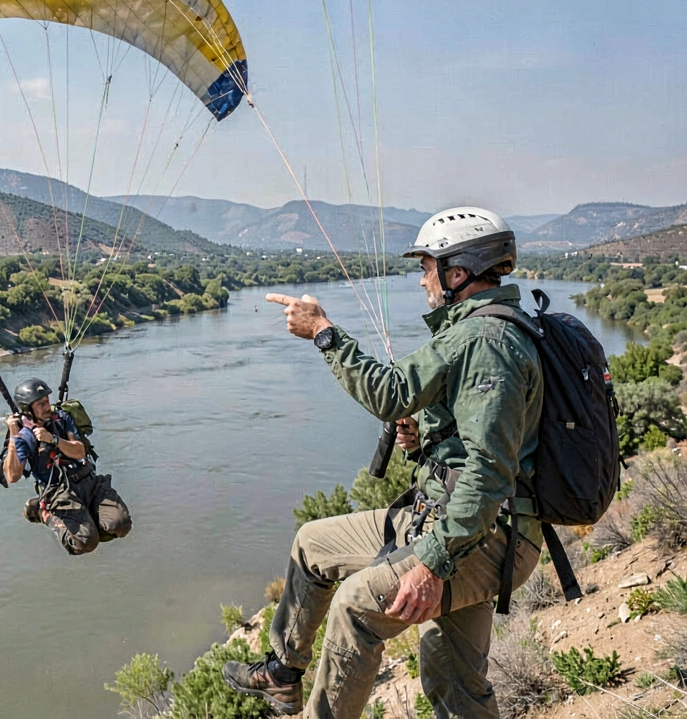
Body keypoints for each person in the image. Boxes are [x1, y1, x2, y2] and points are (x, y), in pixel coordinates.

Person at [222, 208, 545, 718]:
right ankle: (283, 673)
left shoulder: (484, 341)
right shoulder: (477, 331)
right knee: (315, 546)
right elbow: (478, 444)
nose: (422, 279)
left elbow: (485, 471)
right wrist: (424, 447)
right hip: (457, 519)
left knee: (357, 607)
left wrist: (325, 333)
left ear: (457, 272)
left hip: (485, 534)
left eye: (427, 267)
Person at [1, 377, 132, 555]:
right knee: (84, 543)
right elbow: (12, 476)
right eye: (40, 404)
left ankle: (88, 519)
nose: (47, 406)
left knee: (120, 526)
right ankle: (42, 513)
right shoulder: (25, 436)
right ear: (28, 409)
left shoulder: (62, 418)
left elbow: (79, 452)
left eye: (47, 401)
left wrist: (53, 439)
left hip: (88, 480)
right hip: (59, 491)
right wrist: (13, 434)